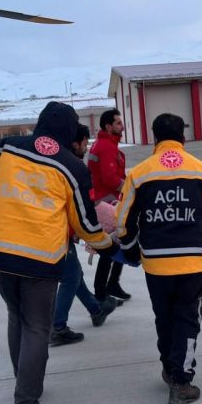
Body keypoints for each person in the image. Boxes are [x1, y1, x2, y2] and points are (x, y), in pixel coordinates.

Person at [0, 102, 112, 404]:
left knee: (16, 316)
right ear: (67, 130)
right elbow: (85, 223)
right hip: (40, 256)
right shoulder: (71, 166)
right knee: (37, 325)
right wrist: (108, 246)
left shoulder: (5, 147)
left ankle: (26, 382)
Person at [117, 113, 202, 404]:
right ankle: (181, 380)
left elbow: (123, 219)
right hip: (193, 264)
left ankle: (169, 367)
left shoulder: (139, 174)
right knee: (188, 319)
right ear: (183, 138)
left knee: (164, 318)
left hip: (156, 264)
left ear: (154, 138)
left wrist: (132, 249)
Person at [50, 124, 117, 345]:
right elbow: (81, 208)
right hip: (56, 233)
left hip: (58, 232)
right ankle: (57, 327)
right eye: (84, 143)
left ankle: (96, 309)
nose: (86, 148)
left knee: (74, 273)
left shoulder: (54, 164)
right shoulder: (73, 168)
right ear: (74, 143)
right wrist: (94, 236)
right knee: (70, 278)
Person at [89, 108, 132, 303]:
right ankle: (102, 291)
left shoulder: (104, 144)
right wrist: (130, 188)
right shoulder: (106, 146)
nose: (122, 127)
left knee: (115, 244)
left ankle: (110, 284)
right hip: (106, 201)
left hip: (104, 199)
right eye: (118, 123)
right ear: (108, 126)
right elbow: (110, 178)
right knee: (110, 246)